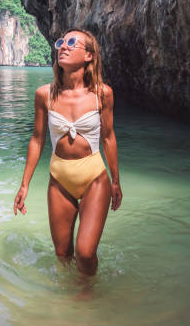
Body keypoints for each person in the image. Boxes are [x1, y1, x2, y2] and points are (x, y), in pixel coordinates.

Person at [13, 28, 122, 276]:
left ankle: (87, 299)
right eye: (61, 42)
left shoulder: (102, 94)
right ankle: (66, 303)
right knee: (62, 253)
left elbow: (108, 138)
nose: (64, 46)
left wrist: (116, 181)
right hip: (59, 179)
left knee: (85, 253)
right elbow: (37, 139)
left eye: (72, 42)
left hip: (94, 177)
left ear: (89, 56)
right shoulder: (45, 94)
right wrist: (24, 185)